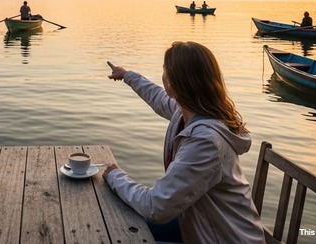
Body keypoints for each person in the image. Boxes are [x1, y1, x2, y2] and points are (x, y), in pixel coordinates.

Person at [104, 42, 265, 244]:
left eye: (165, 70)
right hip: (205, 223)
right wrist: (127, 75)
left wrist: (114, 175)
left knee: (118, 234)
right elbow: (158, 97)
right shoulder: (189, 113)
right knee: (119, 224)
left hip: (225, 237)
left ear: (173, 81)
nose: (162, 75)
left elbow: (156, 207)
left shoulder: (205, 141)